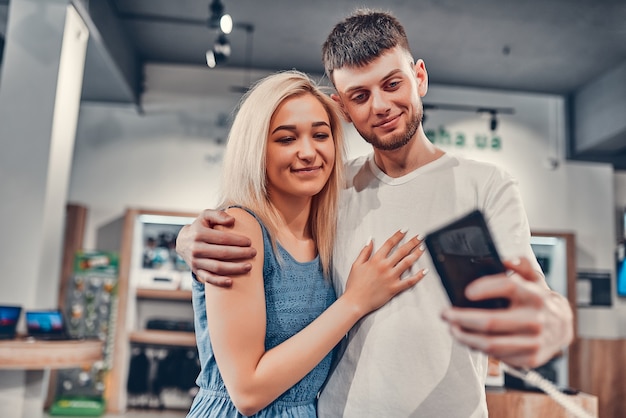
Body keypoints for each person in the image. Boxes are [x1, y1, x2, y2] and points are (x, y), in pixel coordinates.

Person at [178, 10, 574, 417]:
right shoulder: (329, 187)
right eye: (360, 95)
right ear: (343, 108)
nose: (381, 106)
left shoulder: (486, 185)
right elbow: (263, 220)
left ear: (418, 77)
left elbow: (533, 296)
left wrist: (553, 321)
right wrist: (190, 237)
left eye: (392, 84)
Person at [185, 69, 426, 418]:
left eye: (320, 135)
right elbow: (248, 391)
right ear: (256, 149)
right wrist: (354, 302)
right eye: (286, 139)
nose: (308, 152)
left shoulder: (327, 227)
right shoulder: (240, 228)